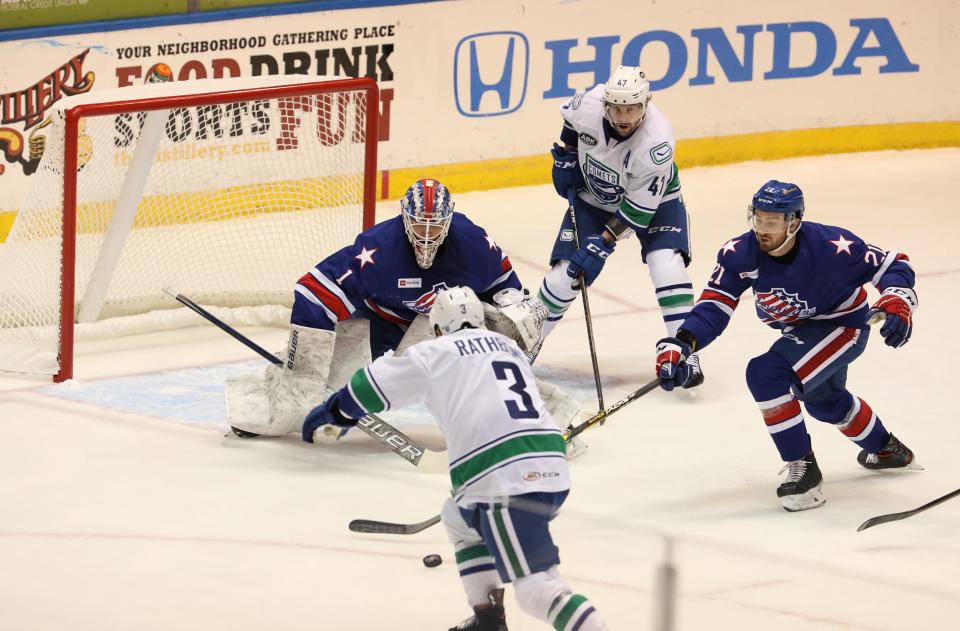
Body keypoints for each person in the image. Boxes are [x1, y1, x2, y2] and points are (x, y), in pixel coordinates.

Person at [303, 286, 608, 631]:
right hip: (548, 459)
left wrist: (337, 411)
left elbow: (371, 386)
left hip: (502, 477)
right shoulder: (508, 347)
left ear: (436, 328)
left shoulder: (435, 352)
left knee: (536, 589)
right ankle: (487, 619)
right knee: (459, 518)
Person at [226, 179, 577, 442]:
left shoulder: (473, 246)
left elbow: (507, 296)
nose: (426, 234)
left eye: (435, 225)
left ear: (449, 220)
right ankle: (256, 407)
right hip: (377, 320)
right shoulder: (378, 250)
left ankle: (551, 417)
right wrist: (306, 367)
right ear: (405, 218)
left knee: (470, 366)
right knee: (321, 390)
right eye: (419, 224)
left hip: (442, 324)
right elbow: (312, 292)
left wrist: (512, 327)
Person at [654, 180, 920, 511]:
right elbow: (715, 306)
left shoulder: (832, 247)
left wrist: (897, 300)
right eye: (758, 219)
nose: (762, 229)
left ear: (794, 221)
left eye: (772, 222)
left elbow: (894, 264)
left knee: (767, 374)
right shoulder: (740, 254)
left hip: (843, 326)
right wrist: (683, 343)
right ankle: (887, 450)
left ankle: (804, 473)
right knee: (824, 402)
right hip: (803, 329)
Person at [538, 65, 703, 386]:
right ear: (605, 104)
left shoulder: (657, 142)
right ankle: (522, 347)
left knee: (666, 264)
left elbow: (639, 210)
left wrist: (602, 243)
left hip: (656, 204)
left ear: (646, 104)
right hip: (594, 198)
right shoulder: (588, 103)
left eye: (632, 109)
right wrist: (568, 156)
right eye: (617, 108)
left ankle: (686, 350)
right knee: (564, 276)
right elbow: (570, 124)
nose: (624, 116)